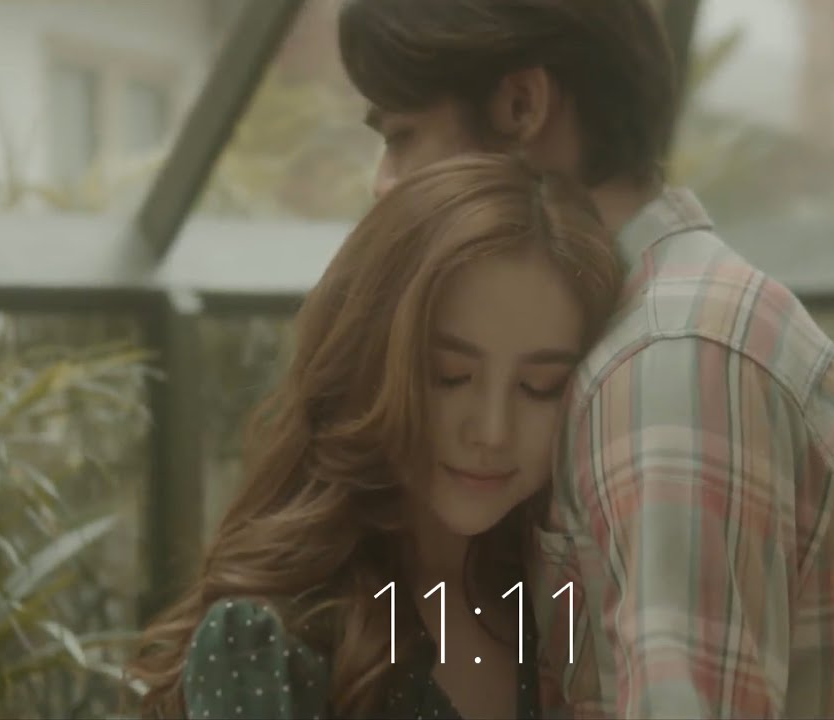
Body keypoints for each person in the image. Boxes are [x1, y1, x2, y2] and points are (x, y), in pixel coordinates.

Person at [337, 0, 834, 718]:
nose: (384, 181)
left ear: (522, 106)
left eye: (402, 137)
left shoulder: (667, 361)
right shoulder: (637, 331)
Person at [127, 154, 623, 719]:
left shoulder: (564, 608)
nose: (492, 431)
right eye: (449, 376)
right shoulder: (273, 643)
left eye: (540, 386)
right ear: (367, 363)